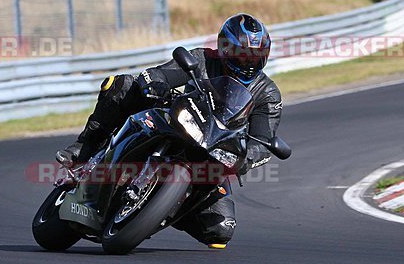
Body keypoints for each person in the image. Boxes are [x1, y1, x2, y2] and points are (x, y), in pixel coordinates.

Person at [56, 13, 284, 248]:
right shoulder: (201, 59)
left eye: (256, 57)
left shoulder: (267, 94)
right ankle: (86, 146)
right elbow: (159, 73)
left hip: (214, 151)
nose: (248, 62)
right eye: (242, 55)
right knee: (122, 85)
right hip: (181, 120)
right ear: (224, 48)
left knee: (219, 231)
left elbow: (263, 141)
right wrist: (156, 84)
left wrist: (248, 158)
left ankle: (164, 206)